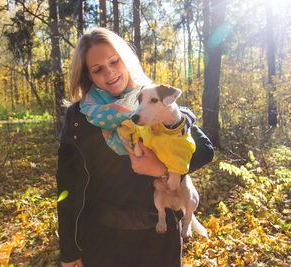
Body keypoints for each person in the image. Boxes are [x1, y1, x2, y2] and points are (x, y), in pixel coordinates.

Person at [56, 27, 214, 267]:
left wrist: (162, 167)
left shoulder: (151, 97)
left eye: (114, 61)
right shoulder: (79, 116)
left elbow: (203, 149)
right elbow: (67, 186)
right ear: (88, 75)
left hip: (158, 237)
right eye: (98, 69)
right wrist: (69, 250)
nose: (110, 73)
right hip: (102, 240)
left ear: (125, 59)